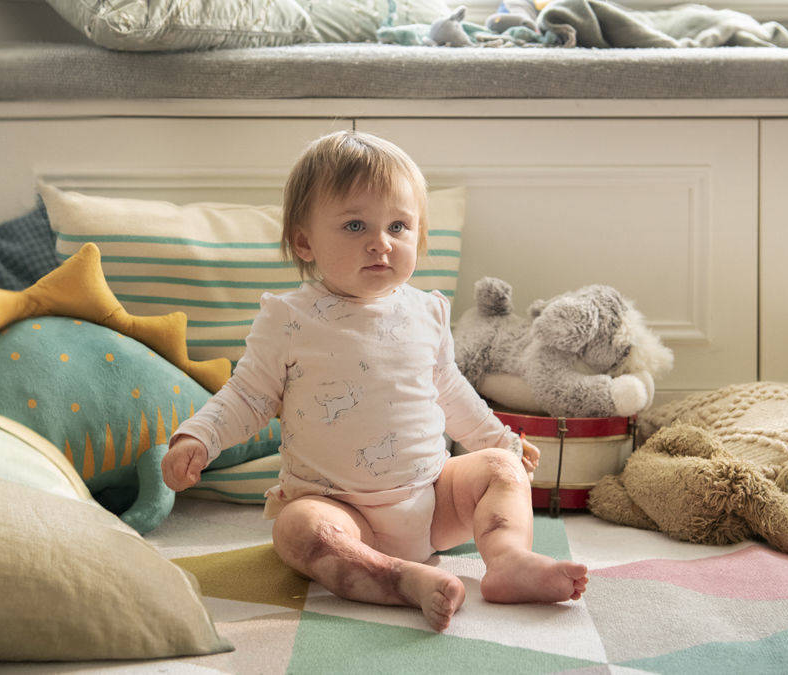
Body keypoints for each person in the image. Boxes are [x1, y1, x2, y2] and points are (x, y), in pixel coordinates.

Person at [162, 130, 587, 631]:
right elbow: (248, 394)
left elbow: (449, 390)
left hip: (433, 500)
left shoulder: (426, 311)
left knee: (500, 470)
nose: (380, 243)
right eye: (355, 224)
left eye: (399, 226)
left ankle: (509, 559)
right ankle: (397, 578)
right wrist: (200, 436)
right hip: (338, 507)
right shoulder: (288, 319)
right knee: (298, 531)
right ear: (304, 241)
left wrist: (497, 439)